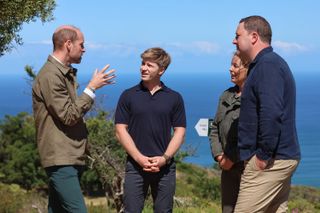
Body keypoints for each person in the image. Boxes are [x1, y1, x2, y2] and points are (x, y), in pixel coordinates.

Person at [32, 25, 115, 213]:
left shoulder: (60, 73)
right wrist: (91, 89)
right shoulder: (51, 75)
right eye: (81, 44)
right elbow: (69, 116)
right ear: (68, 44)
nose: (84, 49)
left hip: (68, 156)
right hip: (61, 158)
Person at [232, 15, 301, 212]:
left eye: (237, 35)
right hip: (279, 158)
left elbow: (271, 113)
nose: (234, 40)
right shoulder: (265, 64)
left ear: (253, 37)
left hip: (271, 160)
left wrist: (262, 156)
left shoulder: (267, 65)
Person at [115, 47, 186, 213]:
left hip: (165, 167)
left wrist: (164, 158)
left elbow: (180, 132)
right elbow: (120, 130)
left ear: (161, 70)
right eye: (142, 63)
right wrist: (139, 158)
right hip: (135, 166)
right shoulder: (128, 95)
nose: (143, 68)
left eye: (149, 65)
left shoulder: (174, 97)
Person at [209, 51, 249, 213]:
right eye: (231, 65)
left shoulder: (253, 98)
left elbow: (250, 133)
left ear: (248, 68)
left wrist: (231, 157)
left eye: (235, 65)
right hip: (227, 168)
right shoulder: (226, 95)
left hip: (247, 168)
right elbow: (214, 128)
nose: (230, 69)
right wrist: (219, 156)